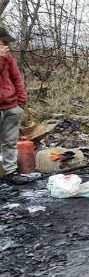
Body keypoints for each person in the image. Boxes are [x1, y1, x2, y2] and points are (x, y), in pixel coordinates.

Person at [0, 25, 28, 185]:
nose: (6, 45)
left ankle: (10, 172)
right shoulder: (4, 57)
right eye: (4, 41)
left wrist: (21, 102)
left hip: (11, 106)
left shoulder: (9, 57)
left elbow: (16, 79)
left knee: (10, 142)